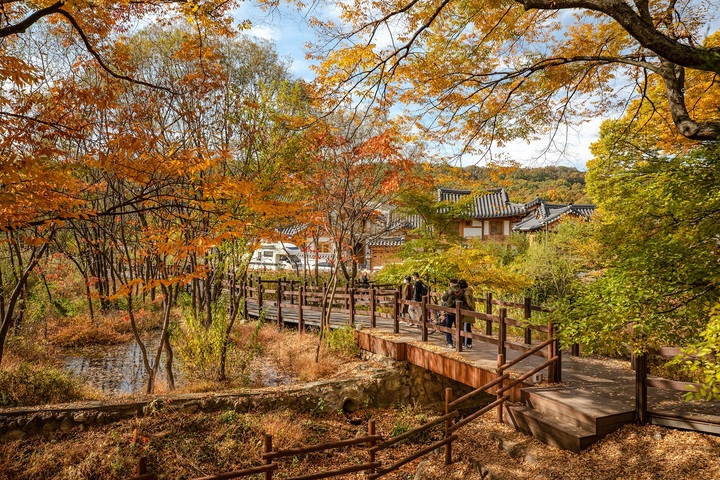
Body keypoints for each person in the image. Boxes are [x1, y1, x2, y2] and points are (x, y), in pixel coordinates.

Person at [441, 279, 462, 348]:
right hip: (459, 312)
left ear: (451, 283)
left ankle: (449, 342)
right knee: (458, 328)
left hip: (450, 311)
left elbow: (443, 298)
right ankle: (460, 343)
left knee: (448, 327)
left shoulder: (449, 290)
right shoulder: (461, 290)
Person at [458, 279, 476, 349]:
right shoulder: (469, 291)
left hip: (467, 313)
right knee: (467, 328)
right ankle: (468, 343)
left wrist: (472, 310)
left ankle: (466, 344)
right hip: (468, 313)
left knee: (465, 328)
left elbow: (469, 303)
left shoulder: (466, 293)